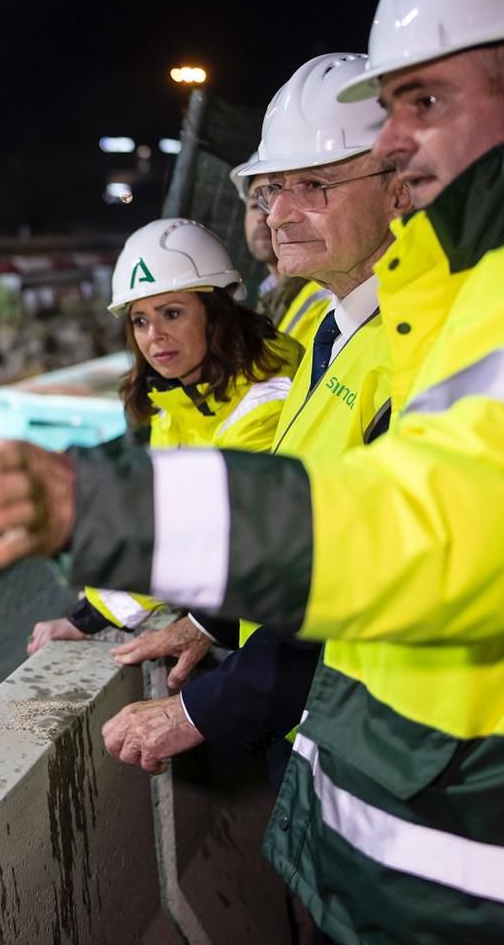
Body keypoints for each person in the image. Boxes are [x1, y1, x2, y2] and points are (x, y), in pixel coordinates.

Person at [0, 0, 504, 941]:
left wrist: (102, 507)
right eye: (266, 192)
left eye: (423, 103)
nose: (395, 141)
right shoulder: (388, 312)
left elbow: (422, 534)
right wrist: (202, 624)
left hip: (491, 857)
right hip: (412, 829)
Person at [106, 52, 404, 791]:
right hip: (331, 734)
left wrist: (203, 710)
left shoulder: (413, 346)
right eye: (272, 190)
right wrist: (210, 624)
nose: (276, 216)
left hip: (382, 747)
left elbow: (367, 577)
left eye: (314, 184)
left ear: (402, 182)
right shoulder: (336, 337)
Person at [26, 216, 298, 659]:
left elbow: (199, 537)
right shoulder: (181, 395)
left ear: (217, 312)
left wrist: (89, 616)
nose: (155, 337)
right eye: (140, 321)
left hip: (280, 648)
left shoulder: (267, 398)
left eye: (172, 313)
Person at [231, 152, 332, 345]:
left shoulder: (327, 293)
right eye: (255, 205)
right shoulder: (268, 297)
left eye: (274, 200)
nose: (266, 216)